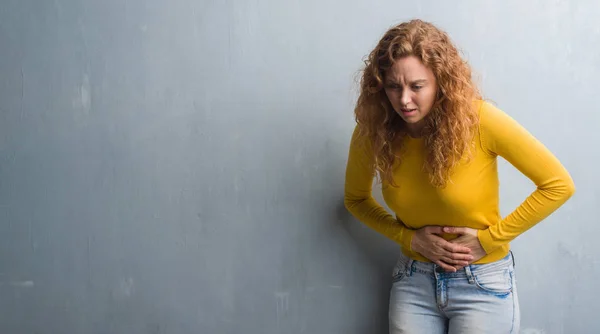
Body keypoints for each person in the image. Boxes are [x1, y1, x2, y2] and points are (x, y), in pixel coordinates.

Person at [343, 19, 575, 334]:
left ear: (440, 82)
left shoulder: (480, 121)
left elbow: (558, 185)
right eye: (394, 86)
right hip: (414, 282)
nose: (404, 100)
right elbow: (355, 199)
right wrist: (409, 238)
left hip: (482, 283)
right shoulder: (373, 131)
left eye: (417, 86)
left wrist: (489, 240)